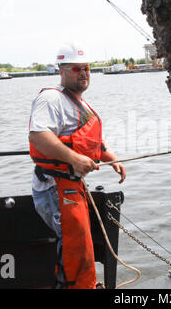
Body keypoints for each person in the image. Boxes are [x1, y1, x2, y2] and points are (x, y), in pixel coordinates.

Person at [28, 42, 126, 289]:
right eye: (76, 68)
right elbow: (39, 136)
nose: (83, 73)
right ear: (61, 70)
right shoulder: (51, 99)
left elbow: (88, 141)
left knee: (81, 245)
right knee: (74, 246)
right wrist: (74, 159)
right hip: (53, 188)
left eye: (86, 68)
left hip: (72, 187)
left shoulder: (79, 103)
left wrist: (111, 158)